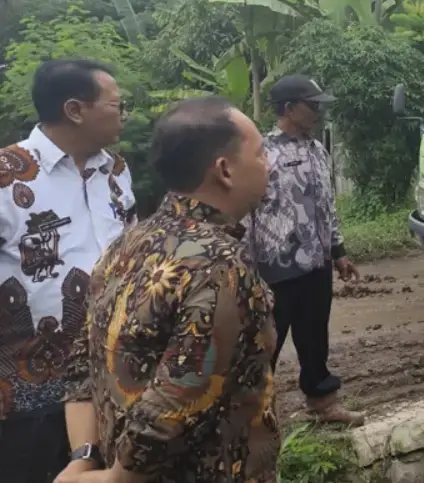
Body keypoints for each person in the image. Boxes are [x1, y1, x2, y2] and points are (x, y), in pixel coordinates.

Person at [57, 97, 277, 483]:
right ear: (224, 170)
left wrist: (84, 458)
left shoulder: (128, 242)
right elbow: (180, 392)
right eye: (260, 154)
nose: (269, 164)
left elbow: (82, 359)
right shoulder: (222, 265)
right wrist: (119, 478)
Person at [0, 59, 134, 483]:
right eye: (117, 105)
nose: (124, 114)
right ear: (76, 110)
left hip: (109, 378)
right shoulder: (7, 176)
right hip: (28, 393)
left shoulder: (115, 171)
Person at [244, 75, 363, 426]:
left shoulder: (317, 150)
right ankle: (251, 416)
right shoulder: (263, 154)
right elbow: (247, 211)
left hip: (316, 263)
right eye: (312, 105)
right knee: (266, 343)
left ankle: (322, 402)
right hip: (274, 267)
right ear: (288, 108)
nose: (318, 112)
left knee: (314, 336)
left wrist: (338, 252)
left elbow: (328, 206)